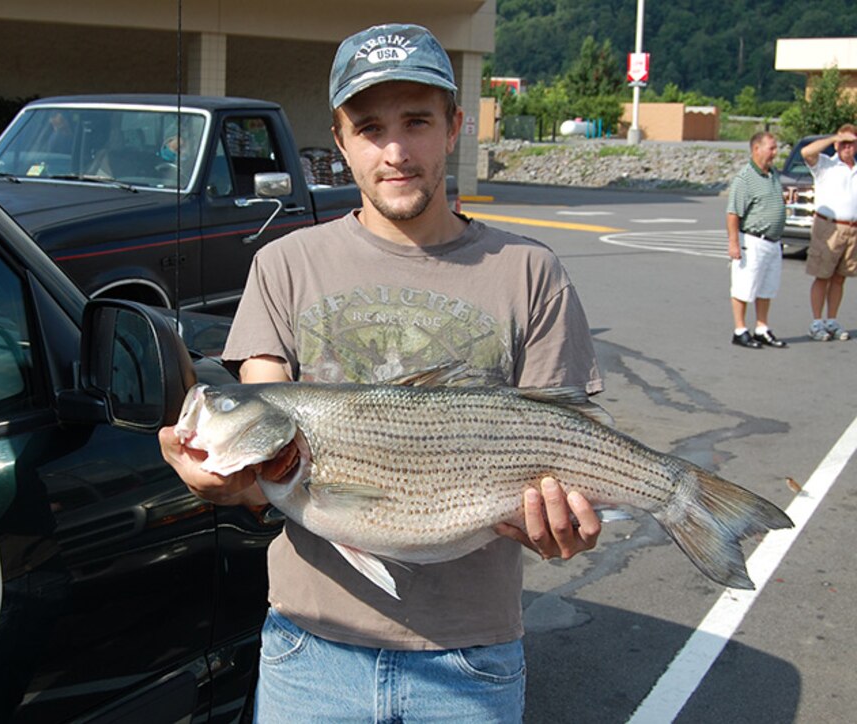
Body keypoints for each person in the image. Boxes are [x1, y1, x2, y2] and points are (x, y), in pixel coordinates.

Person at [159, 23, 603, 722]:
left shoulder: (531, 272)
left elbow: (568, 434)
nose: (395, 152)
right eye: (369, 128)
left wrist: (563, 521)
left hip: (474, 658)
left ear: (455, 127)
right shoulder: (284, 264)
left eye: (417, 122)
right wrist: (219, 476)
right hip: (308, 656)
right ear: (338, 141)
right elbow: (266, 447)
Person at [725, 131, 788, 349]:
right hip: (752, 240)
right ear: (756, 149)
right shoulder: (745, 178)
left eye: (775, 147)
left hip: (772, 241)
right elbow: (733, 213)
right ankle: (740, 329)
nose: (775, 152)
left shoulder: (773, 174)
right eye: (771, 148)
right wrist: (733, 243)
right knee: (744, 286)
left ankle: (762, 327)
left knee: (766, 287)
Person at [801, 124, 857, 341]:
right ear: (836, 144)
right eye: (843, 143)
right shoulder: (825, 164)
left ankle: (832, 319)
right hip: (828, 226)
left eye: (851, 143)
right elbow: (807, 152)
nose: (847, 148)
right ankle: (817, 322)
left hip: (852, 228)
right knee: (822, 275)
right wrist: (836, 136)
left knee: (839, 277)